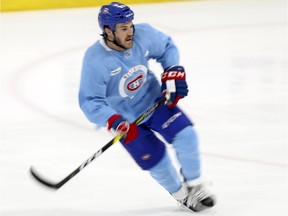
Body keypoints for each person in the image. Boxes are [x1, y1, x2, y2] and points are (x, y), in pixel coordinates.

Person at [78, 2, 215, 212]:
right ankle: (181, 195)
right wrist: (113, 120)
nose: (130, 32)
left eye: (130, 25)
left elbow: (167, 46)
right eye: (123, 28)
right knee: (156, 162)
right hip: (126, 121)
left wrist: (172, 70)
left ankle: (195, 185)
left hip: (154, 102)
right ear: (108, 31)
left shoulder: (144, 34)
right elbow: (90, 100)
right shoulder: (95, 60)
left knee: (187, 136)